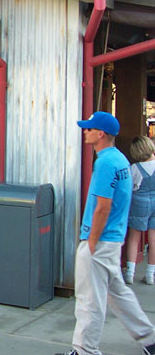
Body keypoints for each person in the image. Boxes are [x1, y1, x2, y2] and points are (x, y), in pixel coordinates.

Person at [56, 112, 155, 355]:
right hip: (112, 240)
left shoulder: (105, 163)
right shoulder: (119, 159)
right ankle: (150, 340)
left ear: (100, 133)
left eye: (89, 129)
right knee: (118, 293)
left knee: (90, 299)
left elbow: (103, 206)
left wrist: (91, 241)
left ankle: (85, 350)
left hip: (99, 241)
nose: (85, 132)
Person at [124, 135, 155, 285]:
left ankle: (130, 272)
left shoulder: (135, 168)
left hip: (139, 202)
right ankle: (150, 274)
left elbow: (130, 188)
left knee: (134, 236)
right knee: (153, 238)